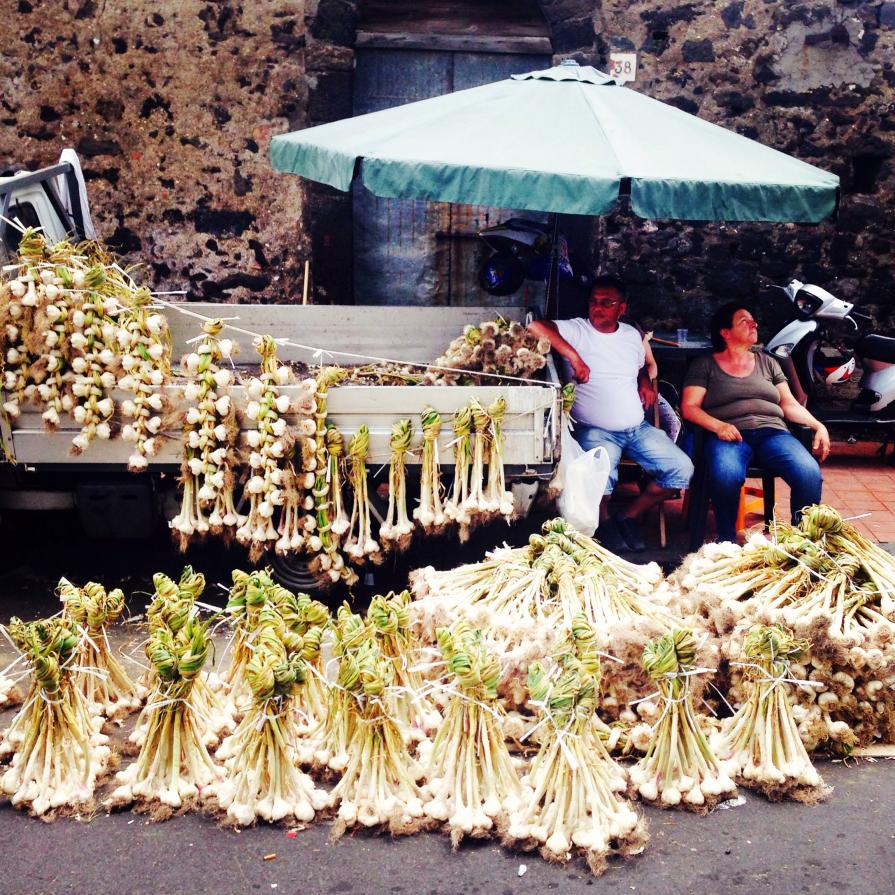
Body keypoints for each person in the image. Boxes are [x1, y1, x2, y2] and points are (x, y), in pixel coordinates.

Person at [529, 275, 694, 552]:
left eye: (607, 303)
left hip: (637, 429)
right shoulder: (577, 329)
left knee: (682, 470)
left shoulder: (631, 335)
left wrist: (644, 381)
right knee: (601, 478)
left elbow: (639, 366)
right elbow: (535, 326)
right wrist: (574, 357)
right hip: (595, 429)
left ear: (622, 308)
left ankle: (627, 516)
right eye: (594, 301)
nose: (598, 307)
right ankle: (604, 523)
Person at [680, 302, 830, 543]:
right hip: (729, 436)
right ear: (725, 332)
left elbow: (789, 404)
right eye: (744, 321)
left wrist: (818, 425)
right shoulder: (705, 365)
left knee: (808, 473)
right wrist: (719, 426)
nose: (754, 324)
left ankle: (801, 542)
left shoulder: (768, 362)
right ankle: (727, 542)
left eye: (753, 320)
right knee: (726, 475)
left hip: (773, 434)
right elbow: (689, 407)